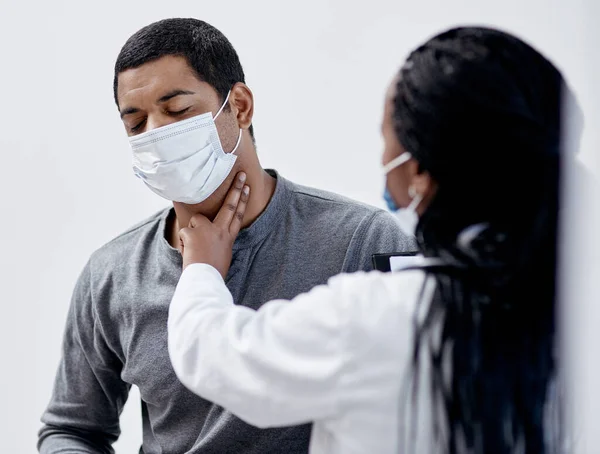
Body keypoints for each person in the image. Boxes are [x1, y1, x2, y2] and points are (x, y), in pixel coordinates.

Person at [168, 26, 577, 454]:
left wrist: (200, 270)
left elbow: (215, 354)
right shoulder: (573, 301)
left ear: (419, 169)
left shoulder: (379, 313)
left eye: (386, 138)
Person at [38, 18, 415, 454]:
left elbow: (431, 400)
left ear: (239, 106)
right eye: (136, 123)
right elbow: (71, 429)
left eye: (178, 111)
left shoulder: (363, 241)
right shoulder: (112, 273)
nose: (156, 135)